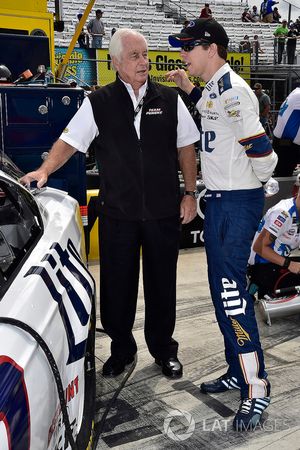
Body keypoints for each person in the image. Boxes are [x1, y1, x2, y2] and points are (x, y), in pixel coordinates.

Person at [19, 28, 200, 380]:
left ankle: (164, 349)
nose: (144, 62)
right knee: (117, 285)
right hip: (119, 212)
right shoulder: (98, 102)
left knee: (163, 283)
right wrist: (43, 169)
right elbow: (70, 141)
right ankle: (121, 350)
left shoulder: (170, 99)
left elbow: (186, 148)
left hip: (164, 211)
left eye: (145, 55)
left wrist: (190, 193)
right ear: (115, 62)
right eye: (134, 56)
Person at [167, 18, 278, 431]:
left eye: (187, 48)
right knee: (220, 292)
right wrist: (188, 87)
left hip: (235, 203)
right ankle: (237, 368)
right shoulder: (214, 88)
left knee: (232, 296)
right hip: (220, 202)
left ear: (210, 47)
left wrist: (258, 182)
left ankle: (256, 386)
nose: (182, 54)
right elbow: (212, 111)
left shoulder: (233, 91)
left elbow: (264, 154)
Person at [248, 188, 300, 298]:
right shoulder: (283, 213)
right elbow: (259, 247)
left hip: (279, 263)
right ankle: (256, 286)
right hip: (262, 265)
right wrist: (289, 264)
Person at [273, 85, 300, 176]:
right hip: (286, 144)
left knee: (282, 174)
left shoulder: (295, 93)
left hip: (283, 142)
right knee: (283, 177)